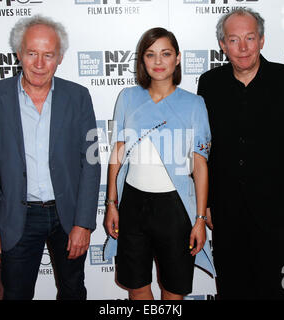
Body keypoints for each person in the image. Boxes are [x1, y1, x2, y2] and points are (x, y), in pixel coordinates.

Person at [0, 15, 100, 300]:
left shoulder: (79, 97)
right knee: (15, 294)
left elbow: (91, 163)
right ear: (19, 54)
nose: (39, 64)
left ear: (60, 58)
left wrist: (84, 223)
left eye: (48, 55)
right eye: (32, 54)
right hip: (17, 216)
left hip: (67, 215)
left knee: (73, 290)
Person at [197, 8, 284, 300]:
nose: (242, 47)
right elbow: (202, 148)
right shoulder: (209, 84)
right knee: (232, 291)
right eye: (234, 39)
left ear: (262, 40)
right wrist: (208, 204)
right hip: (226, 217)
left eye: (250, 38)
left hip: (277, 216)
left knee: (276, 293)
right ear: (223, 45)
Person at [103, 27, 215, 300]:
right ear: (142, 60)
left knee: (174, 289)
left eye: (165, 54)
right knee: (137, 284)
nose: (158, 61)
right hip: (132, 205)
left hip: (176, 209)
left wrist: (199, 219)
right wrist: (111, 204)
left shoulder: (194, 103)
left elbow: (200, 166)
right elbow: (117, 154)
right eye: (150, 54)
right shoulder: (128, 98)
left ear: (177, 58)